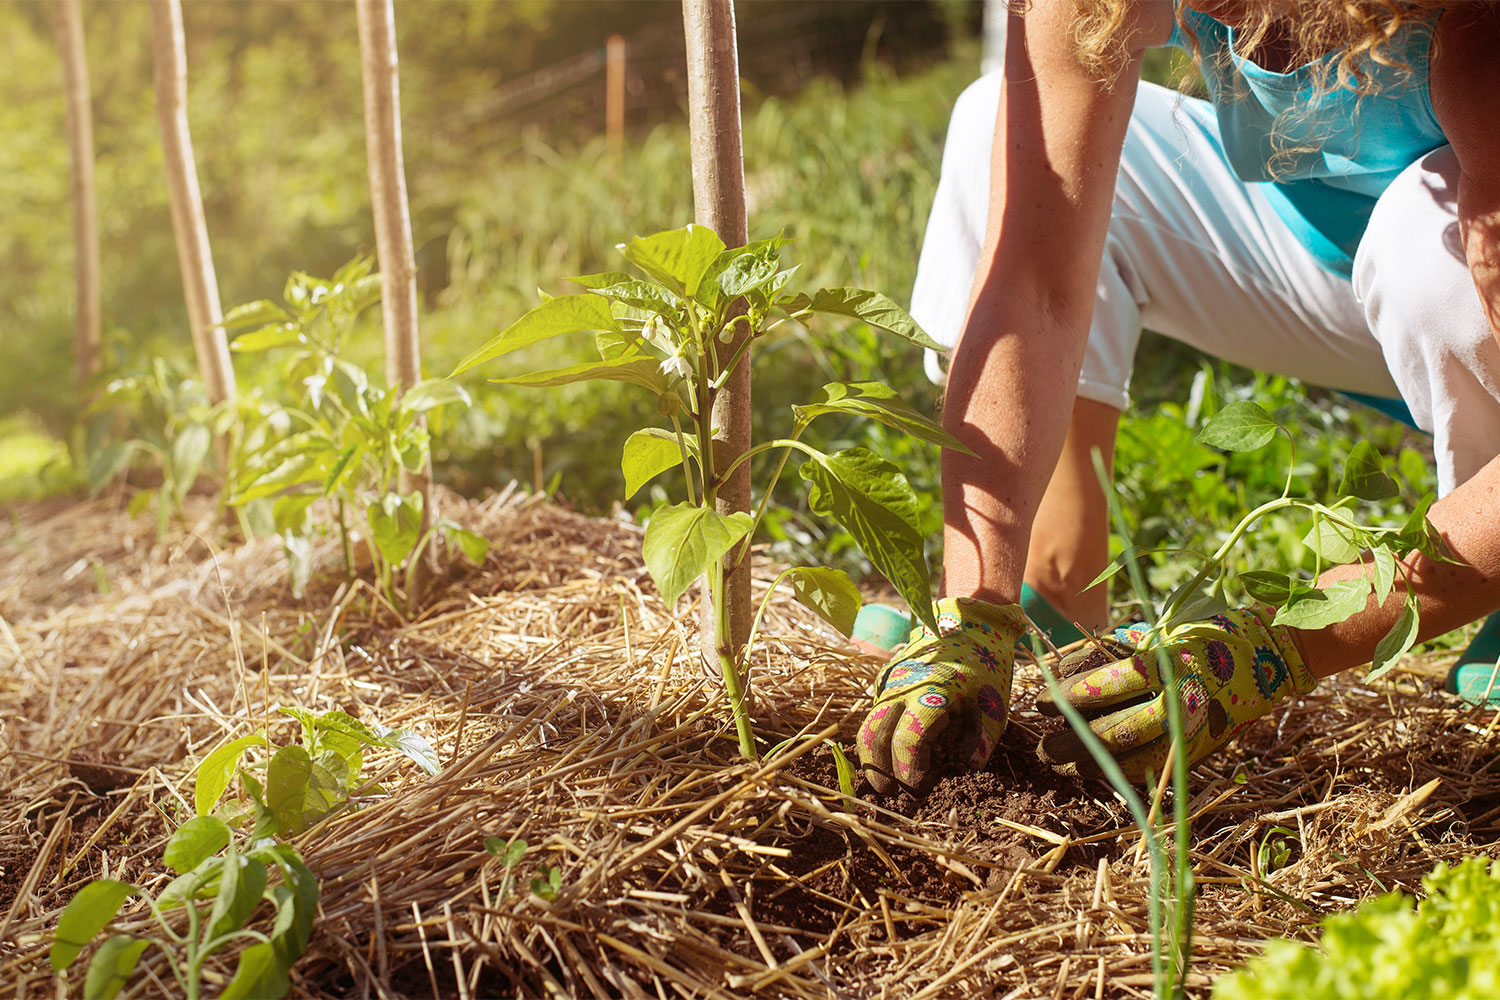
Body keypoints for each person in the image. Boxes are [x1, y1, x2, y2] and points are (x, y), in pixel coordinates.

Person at [856, 0, 1500, 794]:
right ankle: (1054, 588)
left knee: (1421, 243)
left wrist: (1276, 649)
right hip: (1324, 256)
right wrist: (973, 608)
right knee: (1002, 117)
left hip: (1453, 271)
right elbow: (1035, 277)